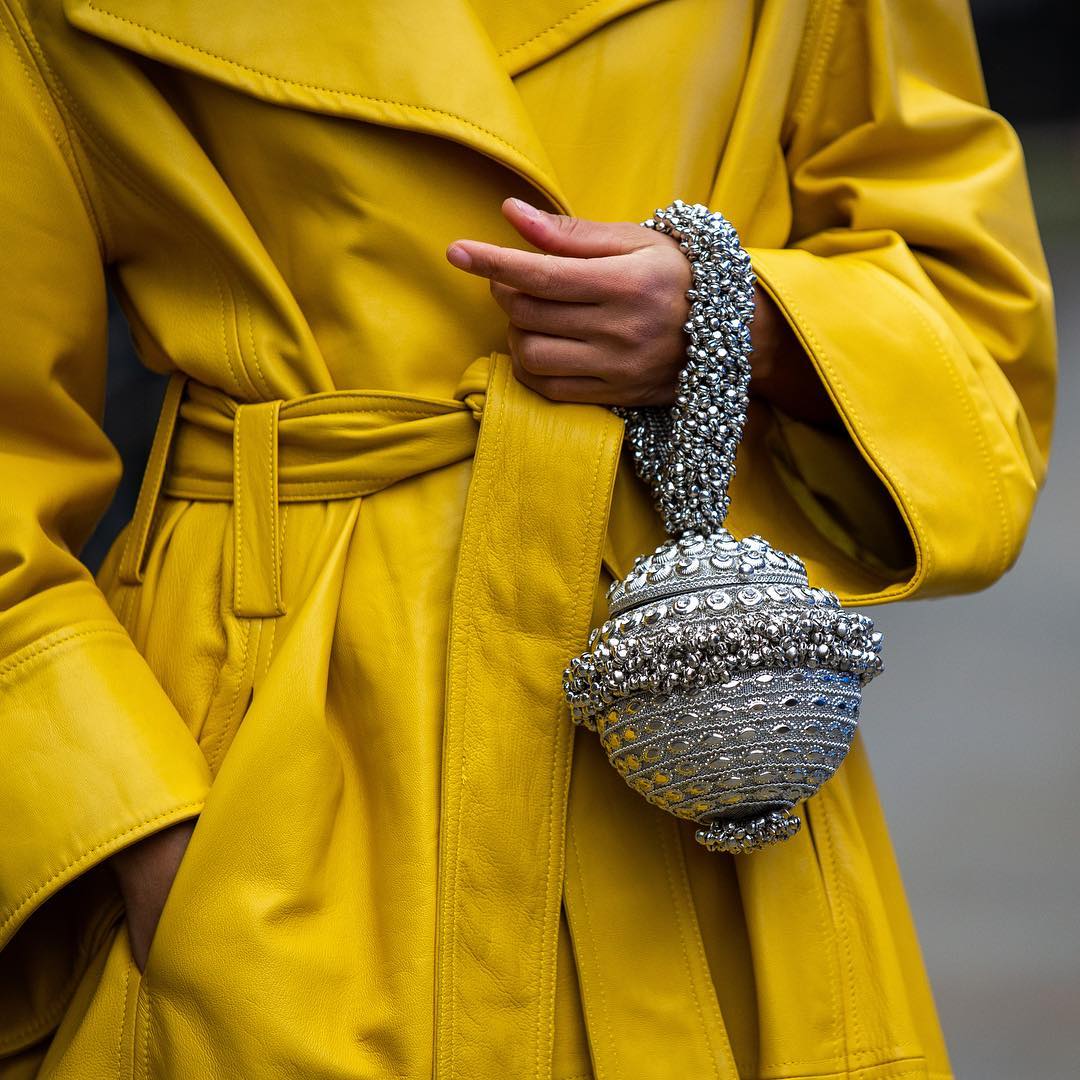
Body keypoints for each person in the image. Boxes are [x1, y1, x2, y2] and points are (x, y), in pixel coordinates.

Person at [0, 0, 1054, 1077]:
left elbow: (975, 325)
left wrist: (747, 324)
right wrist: (132, 834)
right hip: (266, 761)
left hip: (691, 742)